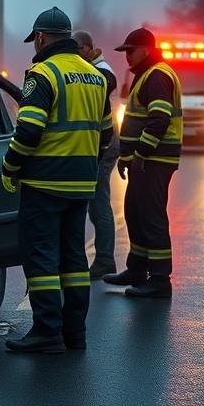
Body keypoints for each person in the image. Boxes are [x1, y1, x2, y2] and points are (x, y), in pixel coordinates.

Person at [1, 7, 112, 353]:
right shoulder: (94, 76)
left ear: (41, 38)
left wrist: (10, 166)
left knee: (41, 257)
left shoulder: (42, 74)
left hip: (45, 182)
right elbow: (106, 134)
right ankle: (74, 333)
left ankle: (47, 330)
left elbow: (29, 130)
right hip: (81, 183)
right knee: (74, 258)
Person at [103, 28, 182, 298]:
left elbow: (159, 120)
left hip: (154, 160)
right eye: (125, 51)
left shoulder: (157, 75)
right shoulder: (146, 75)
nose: (127, 56)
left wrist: (140, 154)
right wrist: (127, 158)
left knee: (151, 217)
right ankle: (137, 269)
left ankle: (160, 280)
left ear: (146, 50)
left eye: (131, 50)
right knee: (135, 212)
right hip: (145, 160)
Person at [73, 30, 120, 279]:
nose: (75, 52)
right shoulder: (94, 68)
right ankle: (103, 259)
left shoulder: (102, 71)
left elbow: (104, 86)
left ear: (89, 48)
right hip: (100, 142)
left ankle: (104, 260)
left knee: (99, 203)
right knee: (95, 204)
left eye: (77, 47)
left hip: (105, 144)